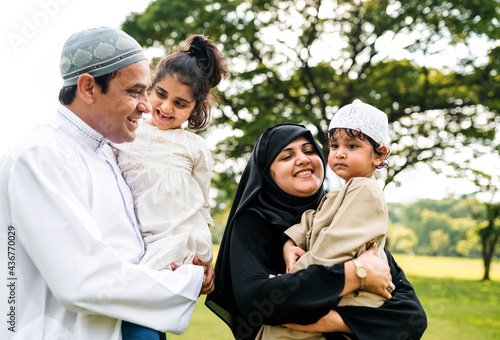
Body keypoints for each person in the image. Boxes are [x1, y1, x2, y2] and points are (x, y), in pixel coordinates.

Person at [0, 27, 213, 340]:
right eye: (134, 91)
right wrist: (189, 280)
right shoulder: (42, 155)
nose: (147, 105)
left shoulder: (108, 151)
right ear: (88, 87)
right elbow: (83, 281)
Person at [205, 123, 427, 340]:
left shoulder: (343, 212)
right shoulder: (254, 222)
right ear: (267, 172)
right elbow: (256, 301)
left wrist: (333, 321)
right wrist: (357, 272)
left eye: (310, 151)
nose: (303, 159)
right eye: (286, 156)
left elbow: (411, 317)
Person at [113, 34, 227, 338]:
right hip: (129, 240)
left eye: (180, 103)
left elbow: (201, 204)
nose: (165, 107)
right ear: (149, 87)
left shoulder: (196, 148)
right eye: (159, 94)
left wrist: (205, 262)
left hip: (171, 243)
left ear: (196, 108)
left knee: (143, 321)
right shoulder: (126, 132)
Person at [257, 100, 395, 339]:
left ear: (379, 154)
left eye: (352, 146)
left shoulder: (365, 190)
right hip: (329, 292)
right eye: (334, 145)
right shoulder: (337, 194)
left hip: (347, 300)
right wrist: (291, 243)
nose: (340, 153)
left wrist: (292, 280)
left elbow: (334, 246)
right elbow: (311, 221)